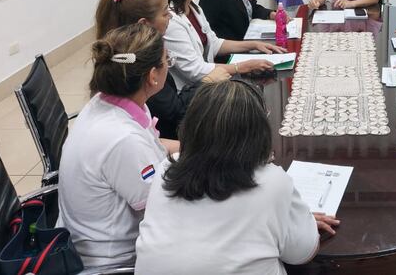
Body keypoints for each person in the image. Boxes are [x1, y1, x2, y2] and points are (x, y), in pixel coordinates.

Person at [135, 80, 340, 275]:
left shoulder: (166, 168)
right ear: (258, 131)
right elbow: (302, 254)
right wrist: (297, 223)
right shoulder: (273, 182)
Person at [57, 23, 178, 268]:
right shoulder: (123, 138)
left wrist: (197, 148)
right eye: (168, 61)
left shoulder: (108, 102)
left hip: (96, 236)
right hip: (116, 261)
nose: (169, 64)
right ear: (153, 76)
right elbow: (164, 209)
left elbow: (152, 147)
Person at [158, 0, 284, 92]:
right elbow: (196, 70)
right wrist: (242, 66)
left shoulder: (195, 9)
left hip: (211, 82)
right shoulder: (171, 21)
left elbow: (215, 43)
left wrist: (254, 44)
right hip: (191, 92)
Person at [95, 0, 193, 140]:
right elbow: (171, 111)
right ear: (143, 24)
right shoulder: (137, 67)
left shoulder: (122, 55)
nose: (170, 17)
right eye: (164, 13)